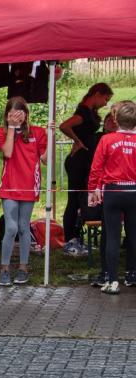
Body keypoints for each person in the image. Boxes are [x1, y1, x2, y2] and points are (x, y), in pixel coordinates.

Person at [0, 96, 48, 286]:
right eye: (13, 114)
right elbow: (7, 152)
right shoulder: (1, 132)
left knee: (24, 227)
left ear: (26, 114)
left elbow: (46, 159)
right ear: (7, 115)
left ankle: (23, 268)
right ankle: (4, 269)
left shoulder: (38, 132)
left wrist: (52, 136)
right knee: (11, 227)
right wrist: (11, 128)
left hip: (29, 186)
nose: (17, 117)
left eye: (20, 113)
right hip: (9, 186)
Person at [87, 99, 136, 294]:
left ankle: (112, 280)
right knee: (133, 234)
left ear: (116, 120)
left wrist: (93, 189)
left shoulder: (107, 139)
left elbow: (96, 167)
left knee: (113, 237)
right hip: (134, 191)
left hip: (113, 192)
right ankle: (132, 275)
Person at [61, 83, 114, 256]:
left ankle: (77, 237)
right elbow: (64, 126)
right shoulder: (83, 111)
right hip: (78, 161)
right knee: (74, 199)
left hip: (86, 161)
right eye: (105, 99)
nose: (105, 103)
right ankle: (70, 240)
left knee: (81, 198)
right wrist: (77, 140)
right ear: (97, 94)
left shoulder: (89, 111)